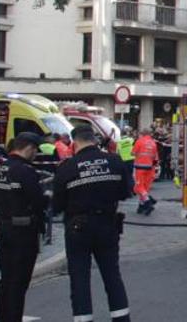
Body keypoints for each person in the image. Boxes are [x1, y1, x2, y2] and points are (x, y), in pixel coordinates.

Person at [53, 125, 133, 322]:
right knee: (112, 275)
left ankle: (83, 319)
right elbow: (126, 191)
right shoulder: (114, 161)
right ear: (94, 140)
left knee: (79, 278)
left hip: (78, 227)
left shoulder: (67, 167)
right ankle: (122, 319)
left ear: (75, 143)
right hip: (107, 224)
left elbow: (57, 205)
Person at [0, 132, 49, 322]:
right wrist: (47, 198)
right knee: (18, 283)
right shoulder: (25, 171)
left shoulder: (0, 167)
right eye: (35, 151)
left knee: (6, 279)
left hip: (5, 227)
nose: (35, 155)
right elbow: (38, 201)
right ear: (29, 148)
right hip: (24, 230)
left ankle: (2, 318)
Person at [131, 128, 158, 215]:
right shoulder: (153, 143)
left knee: (138, 187)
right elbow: (155, 158)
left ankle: (148, 202)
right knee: (145, 187)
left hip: (139, 166)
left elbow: (133, 153)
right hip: (149, 167)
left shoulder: (140, 141)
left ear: (142, 134)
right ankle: (141, 206)